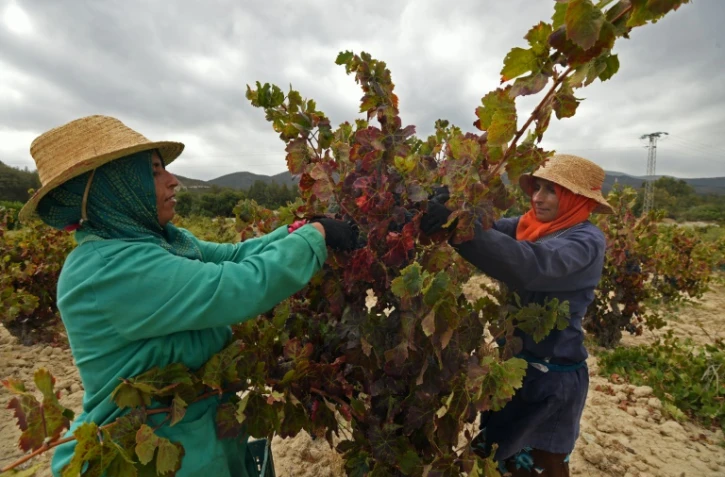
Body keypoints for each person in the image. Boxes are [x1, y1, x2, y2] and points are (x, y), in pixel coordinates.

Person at [19, 115, 358, 477]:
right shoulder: (109, 269)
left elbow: (232, 255)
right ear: (115, 188)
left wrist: (298, 230)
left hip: (193, 434)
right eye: (152, 172)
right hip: (153, 454)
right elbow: (234, 286)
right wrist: (316, 237)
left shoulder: (152, 242)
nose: (173, 180)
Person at [420, 154, 613, 477]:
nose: (538, 197)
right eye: (537, 187)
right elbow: (488, 229)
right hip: (515, 370)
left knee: (535, 467)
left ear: (577, 198)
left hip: (553, 383)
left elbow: (529, 265)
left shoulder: (585, 242)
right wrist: (452, 210)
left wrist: (453, 227)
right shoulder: (531, 226)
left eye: (551, 190)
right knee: (494, 461)